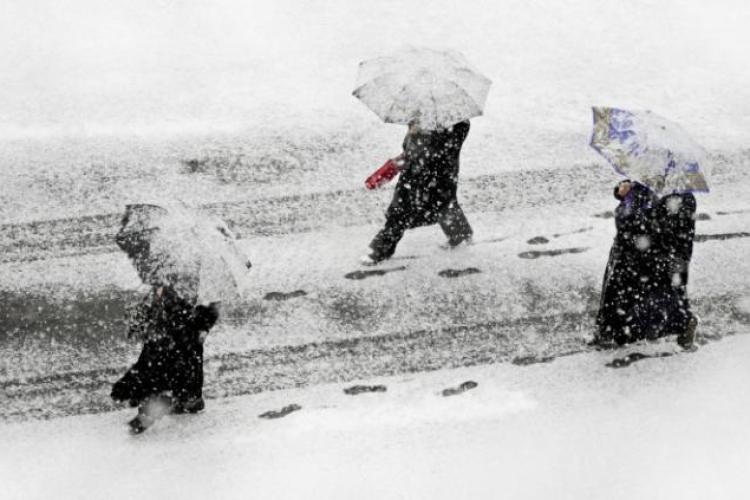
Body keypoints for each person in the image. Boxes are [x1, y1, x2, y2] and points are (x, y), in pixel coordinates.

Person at [361, 120, 473, 265]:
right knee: (444, 205)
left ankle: (381, 250)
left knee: (400, 214)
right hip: (428, 177)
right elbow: (409, 152)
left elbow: (419, 154)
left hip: (427, 179)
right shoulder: (430, 121)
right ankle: (460, 233)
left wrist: (422, 136)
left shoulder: (453, 126)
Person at [111, 283, 219, 434]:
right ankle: (184, 400)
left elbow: (205, 310)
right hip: (173, 340)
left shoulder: (180, 293)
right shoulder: (168, 292)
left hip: (175, 341)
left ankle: (172, 402)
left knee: (167, 371)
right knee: (170, 370)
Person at [594, 179, 659, 346]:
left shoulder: (646, 198)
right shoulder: (636, 197)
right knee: (617, 293)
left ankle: (617, 332)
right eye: (621, 184)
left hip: (632, 255)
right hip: (625, 254)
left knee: (621, 293)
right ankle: (615, 331)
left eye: (625, 184)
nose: (622, 185)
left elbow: (634, 224)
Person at [651, 191, 699, 349]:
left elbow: (669, 227)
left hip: (674, 254)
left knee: (672, 289)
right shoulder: (686, 198)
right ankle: (684, 322)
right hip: (680, 253)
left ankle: (685, 322)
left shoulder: (679, 200)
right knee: (678, 288)